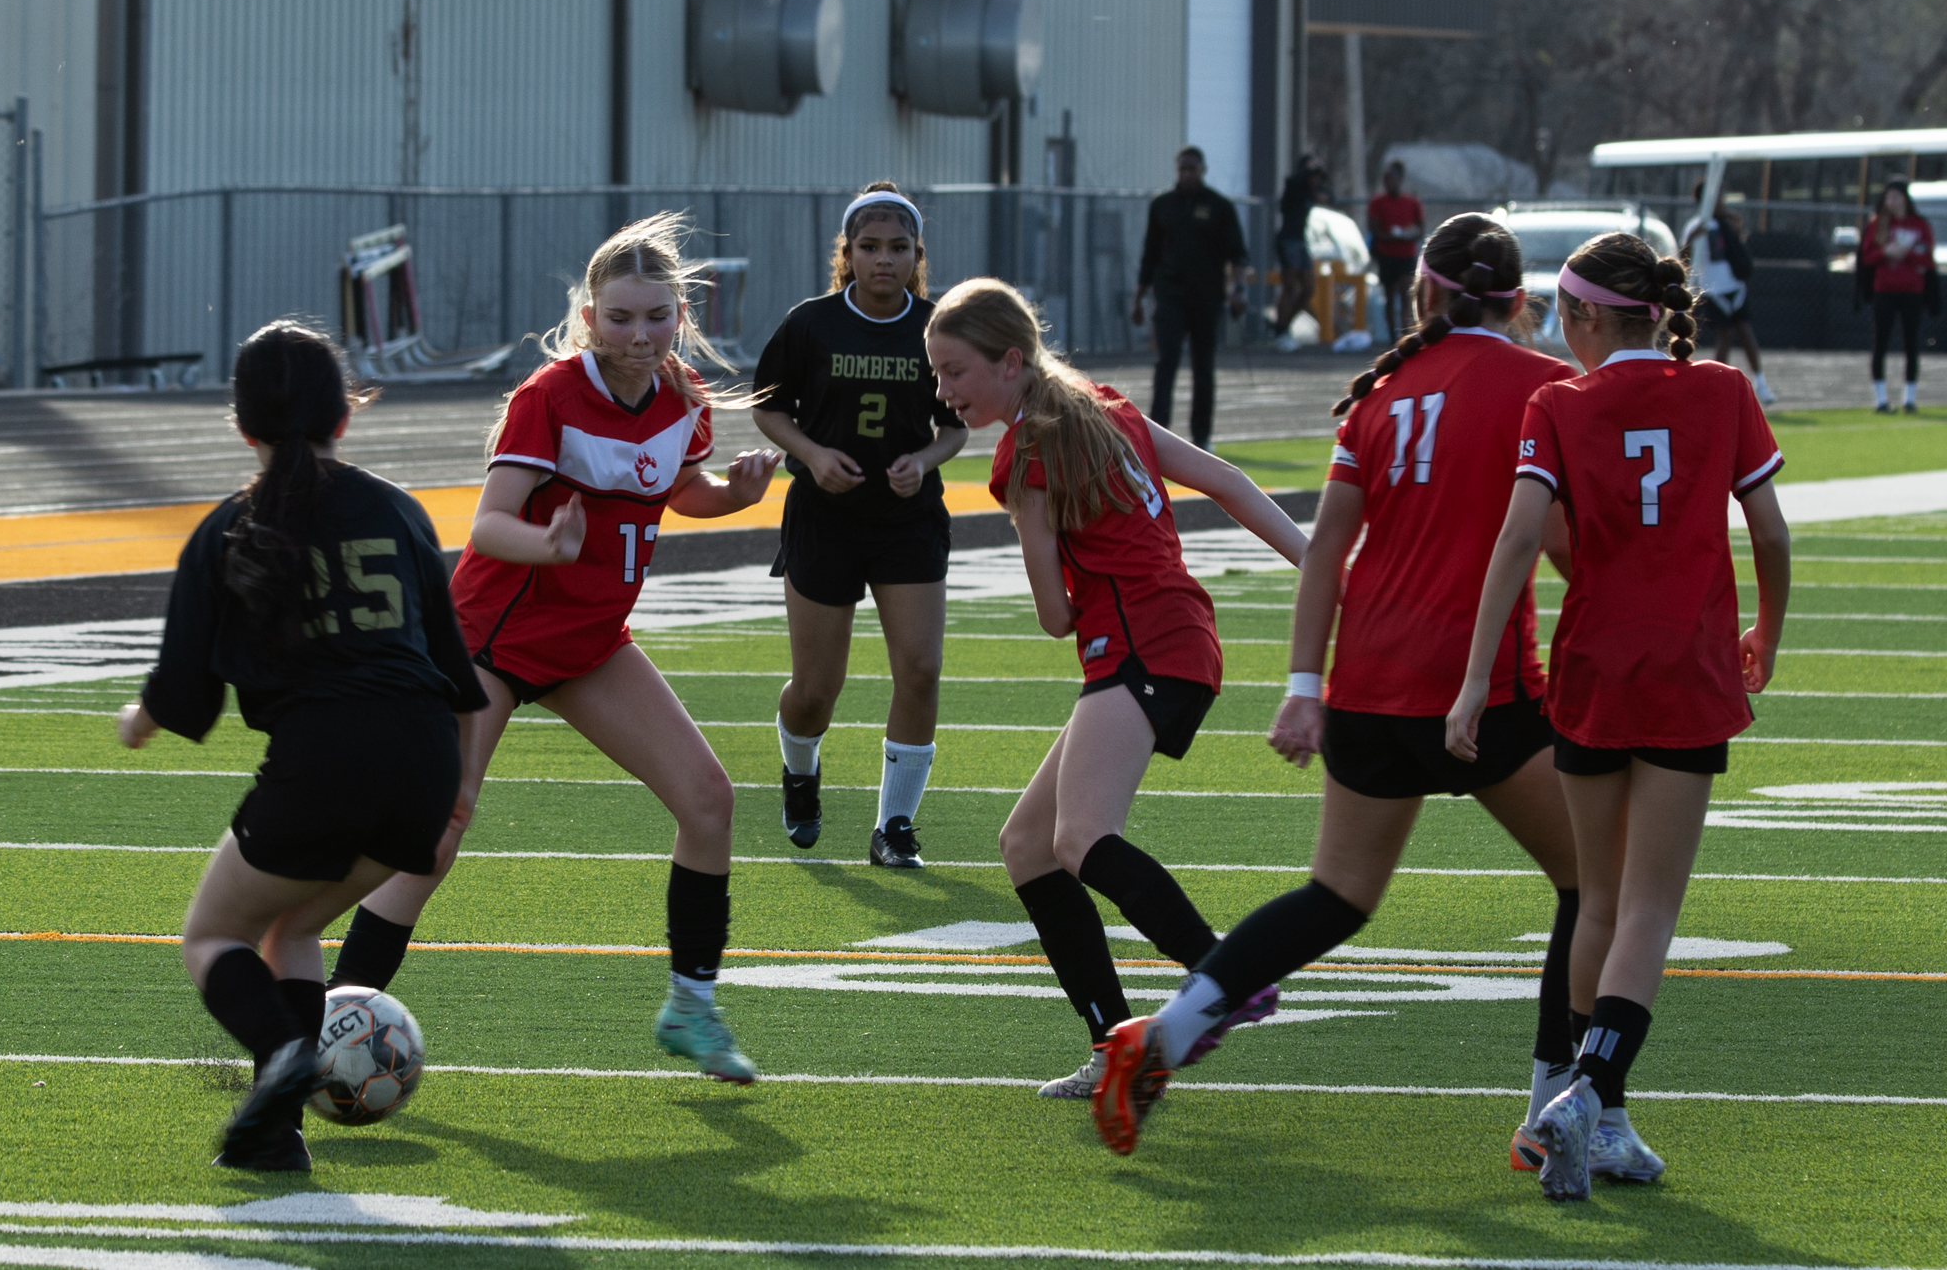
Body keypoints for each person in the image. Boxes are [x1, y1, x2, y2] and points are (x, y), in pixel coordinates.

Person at [1089, 216, 1606, 1171]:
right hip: (1477, 688)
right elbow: (1562, 544)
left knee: (1336, 896)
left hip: (1367, 684)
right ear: (1520, 301)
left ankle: (1159, 1035)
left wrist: (1302, 685)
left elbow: (1326, 548)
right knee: (1592, 885)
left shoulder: (1381, 394)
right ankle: (1553, 1107)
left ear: (1421, 296)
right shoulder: (1547, 389)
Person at [323, 212, 783, 1084]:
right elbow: (490, 527)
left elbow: (681, 491)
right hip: (490, 642)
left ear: (681, 313)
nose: (640, 335)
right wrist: (551, 545)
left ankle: (691, 1007)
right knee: (439, 830)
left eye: (656, 316)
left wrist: (736, 494)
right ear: (588, 317)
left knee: (709, 800)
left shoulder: (683, 396)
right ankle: (330, 1006)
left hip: (589, 642)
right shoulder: (549, 397)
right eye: (621, 317)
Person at [1453, 232, 1789, 1201]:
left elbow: (1518, 539)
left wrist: (1475, 678)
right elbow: (1766, 527)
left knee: (1595, 901)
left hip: (1589, 669)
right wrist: (1764, 626)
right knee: (1648, 907)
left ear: (1587, 315)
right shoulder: (1720, 388)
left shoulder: (1554, 402)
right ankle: (1589, 1093)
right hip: (1682, 670)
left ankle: (1600, 1113)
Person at [120, 320, 489, 1171]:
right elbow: (456, 668)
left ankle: (289, 1058)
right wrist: (460, 789)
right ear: (346, 417)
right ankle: (275, 1132)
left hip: (325, 760)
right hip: (426, 759)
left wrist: (135, 722)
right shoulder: (399, 507)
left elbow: (180, 695)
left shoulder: (228, 527)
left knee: (213, 937)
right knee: (291, 925)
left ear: (242, 426)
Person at [927, 278, 1309, 1100]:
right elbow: (1228, 482)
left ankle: (1221, 977)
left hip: (1134, 644)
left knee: (1081, 839)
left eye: (955, 372)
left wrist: (1044, 537)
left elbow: (1056, 617)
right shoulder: (1108, 407)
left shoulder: (1024, 454)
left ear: (1010, 361)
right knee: (1028, 846)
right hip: (1179, 637)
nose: (944, 390)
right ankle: (1111, 1045)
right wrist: (1319, 571)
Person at [752, 183, 967, 868]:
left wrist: (924, 459)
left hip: (906, 519)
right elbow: (768, 408)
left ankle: (895, 825)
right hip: (825, 518)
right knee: (816, 689)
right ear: (847, 253)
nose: (884, 259)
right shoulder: (811, 323)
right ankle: (800, 768)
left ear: (917, 254)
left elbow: (955, 426)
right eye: (869, 247)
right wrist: (811, 455)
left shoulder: (941, 328)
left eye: (898, 247)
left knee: (922, 668)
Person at [1131, 146, 1250, 450]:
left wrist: (1238, 289)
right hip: (1169, 296)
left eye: (1192, 169)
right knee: (1165, 363)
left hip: (1206, 298)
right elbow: (1150, 254)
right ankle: (1157, 434)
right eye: (1182, 169)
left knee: (1203, 367)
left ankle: (1201, 436)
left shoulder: (1219, 207)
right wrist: (1139, 298)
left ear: (1203, 170)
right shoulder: (1162, 205)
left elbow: (1237, 254)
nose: (1186, 174)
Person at [1680, 181, 1775, 405]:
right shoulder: (1695, 226)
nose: (1721, 203)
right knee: (1724, 337)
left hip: (1735, 287)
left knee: (1746, 332)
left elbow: (1738, 251)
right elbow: (1683, 258)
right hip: (1714, 290)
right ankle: (1719, 385)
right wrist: (1693, 238)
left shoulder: (1727, 223)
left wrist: (1738, 231)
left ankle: (1761, 382)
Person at [1859, 177, 1935, 413]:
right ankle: (1880, 399)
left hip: (1912, 291)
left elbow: (1927, 259)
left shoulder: (1919, 224)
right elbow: (1867, 257)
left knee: (1911, 343)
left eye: (1896, 196)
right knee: (1881, 342)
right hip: (1885, 290)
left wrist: (1907, 253)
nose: (1891, 201)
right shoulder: (1878, 224)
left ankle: (1909, 398)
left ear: (1905, 198)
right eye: (1888, 196)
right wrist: (1886, 252)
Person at [1272, 154, 1329, 351]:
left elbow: (1330, 195)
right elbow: (1295, 179)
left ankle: (1283, 325)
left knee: (1308, 288)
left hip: (1301, 241)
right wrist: (1309, 169)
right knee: (1290, 289)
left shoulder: (1312, 190)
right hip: (1287, 240)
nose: (1316, 180)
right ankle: (1280, 332)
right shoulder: (1294, 185)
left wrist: (1319, 174)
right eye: (1313, 175)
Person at [1366, 161, 1424, 338]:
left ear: (1400, 180)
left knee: (1407, 294)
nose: (1388, 183)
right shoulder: (1377, 202)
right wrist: (1390, 237)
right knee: (1389, 296)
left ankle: (1406, 334)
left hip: (1406, 254)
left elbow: (1420, 227)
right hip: (1386, 254)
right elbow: (1374, 228)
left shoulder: (1412, 202)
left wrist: (1408, 234)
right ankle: (1392, 336)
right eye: (1385, 179)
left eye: (1391, 179)